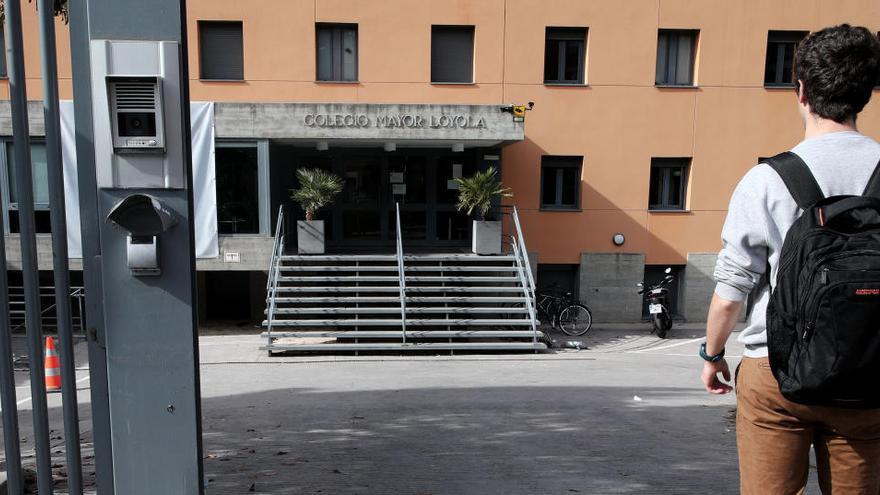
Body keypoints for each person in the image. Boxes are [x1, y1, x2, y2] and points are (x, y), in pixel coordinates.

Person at [700, 25, 880, 494]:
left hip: (777, 372)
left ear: (800, 90)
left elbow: (730, 291)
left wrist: (713, 354)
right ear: (867, 92)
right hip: (869, 372)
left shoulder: (767, 180)